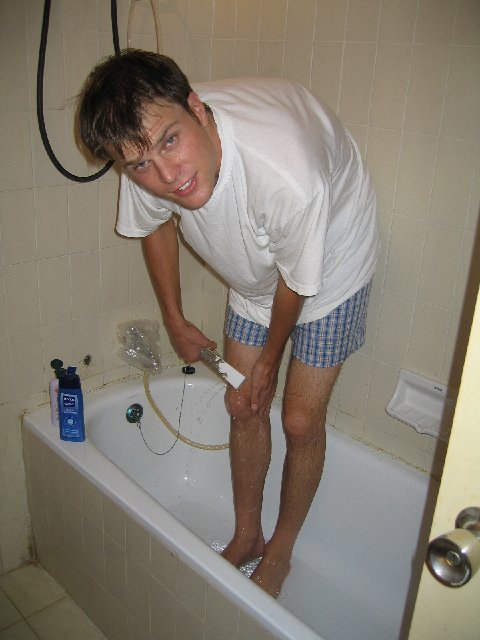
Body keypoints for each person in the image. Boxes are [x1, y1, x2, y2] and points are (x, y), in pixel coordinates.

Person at [79, 49, 379, 598]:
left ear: (197, 108)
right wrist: (175, 320)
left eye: (171, 141)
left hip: (333, 264)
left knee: (298, 420)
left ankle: (280, 550)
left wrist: (268, 363)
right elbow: (155, 226)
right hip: (260, 269)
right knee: (242, 404)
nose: (165, 175)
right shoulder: (139, 149)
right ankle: (247, 535)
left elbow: (298, 281)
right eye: (140, 164)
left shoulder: (285, 172)